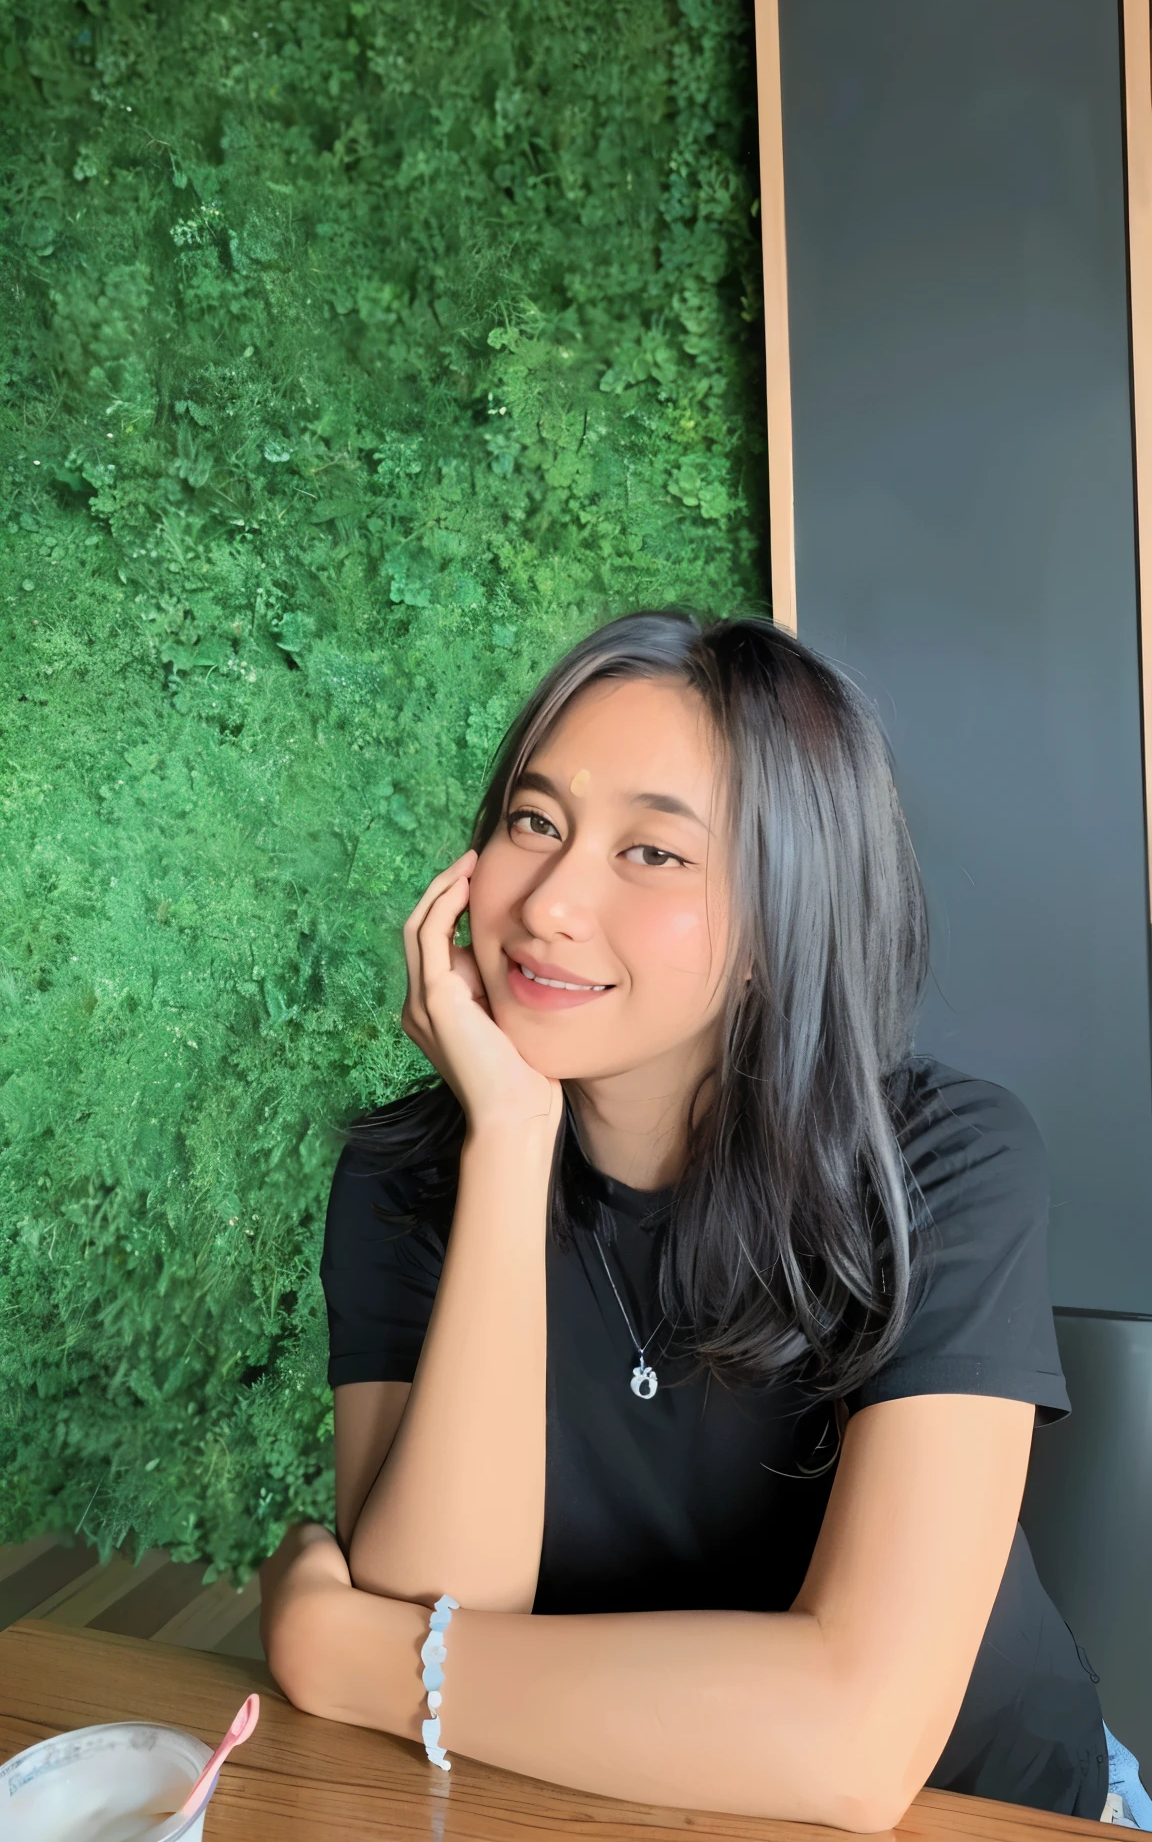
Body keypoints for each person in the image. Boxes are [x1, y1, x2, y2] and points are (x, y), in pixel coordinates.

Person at [259, 610, 1125, 1829]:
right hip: (601, 1794)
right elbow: (443, 1598)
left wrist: (335, 1651)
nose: (550, 902)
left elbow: (856, 1743)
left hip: (988, 1811)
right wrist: (509, 1142)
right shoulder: (408, 1176)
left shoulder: (938, 1159)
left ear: (786, 917)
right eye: (535, 821)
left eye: (653, 853)